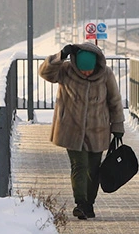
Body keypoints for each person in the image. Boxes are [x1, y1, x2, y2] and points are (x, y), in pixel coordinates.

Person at [38, 41, 125, 220]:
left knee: (93, 169)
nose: (86, 73)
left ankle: (89, 204)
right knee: (79, 165)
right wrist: (60, 56)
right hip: (71, 128)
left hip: (98, 129)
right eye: (83, 70)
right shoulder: (66, 70)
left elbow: (114, 101)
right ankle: (80, 203)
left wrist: (118, 127)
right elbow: (45, 73)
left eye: (89, 70)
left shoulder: (105, 74)